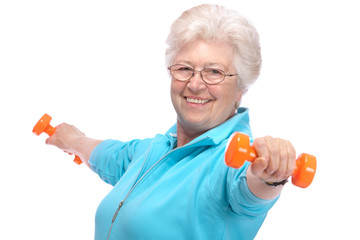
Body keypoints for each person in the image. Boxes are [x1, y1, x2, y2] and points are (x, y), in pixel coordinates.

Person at [46, 4, 296, 240]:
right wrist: (72, 140)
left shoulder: (234, 164)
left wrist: (272, 173)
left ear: (240, 88)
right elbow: (113, 156)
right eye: (185, 68)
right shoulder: (154, 151)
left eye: (214, 72)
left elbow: (253, 191)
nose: (195, 84)